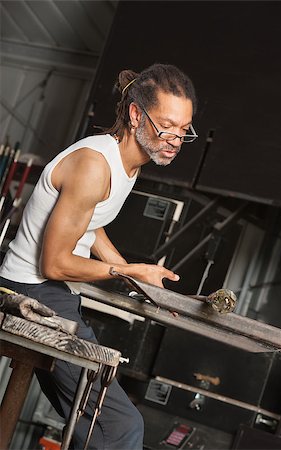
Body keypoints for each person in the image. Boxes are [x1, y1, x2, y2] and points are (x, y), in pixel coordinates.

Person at [0, 63, 198, 449]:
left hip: (55, 292)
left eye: (183, 129)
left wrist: (135, 278)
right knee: (123, 428)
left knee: (93, 428)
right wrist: (124, 270)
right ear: (136, 114)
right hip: (33, 289)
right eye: (166, 125)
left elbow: (89, 224)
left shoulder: (128, 161)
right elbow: (53, 263)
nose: (175, 139)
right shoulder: (94, 166)